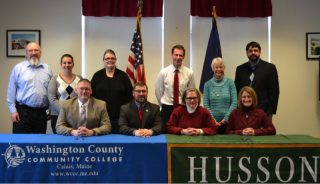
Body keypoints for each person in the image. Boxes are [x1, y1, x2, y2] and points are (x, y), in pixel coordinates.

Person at [7, 42, 53, 134]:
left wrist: (50, 109)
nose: (33, 53)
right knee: (21, 142)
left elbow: (50, 91)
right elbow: (11, 91)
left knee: (39, 143)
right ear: (26, 53)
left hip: (41, 112)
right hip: (22, 112)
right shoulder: (18, 68)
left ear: (40, 53)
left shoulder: (47, 69)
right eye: (30, 50)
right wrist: (13, 111)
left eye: (36, 50)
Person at [235, 41, 279, 121]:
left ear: (260, 52)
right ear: (247, 53)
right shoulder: (240, 69)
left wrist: (271, 111)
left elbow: (274, 92)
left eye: (255, 50)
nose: (253, 53)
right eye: (250, 51)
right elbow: (237, 91)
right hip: (244, 111)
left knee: (263, 133)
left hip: (264, 110)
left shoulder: (270, 68)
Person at [155, 45, 195, 133]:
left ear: (184, 57)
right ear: (171, 55)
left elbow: (191, 93)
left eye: (180, 55)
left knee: (183, 133)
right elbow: (158, 92)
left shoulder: (189, 73)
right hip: (167, 109)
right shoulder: (163, 73)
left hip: (183, 109)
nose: (178, 57)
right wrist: (163, 105)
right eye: (176, 55)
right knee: (166, 133)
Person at [91, 49, 133, 133]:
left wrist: (124, 112)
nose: (110, 60)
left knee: (118, 141)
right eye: (107, 58)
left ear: (115, 60)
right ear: (103, 61)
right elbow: (91, 95)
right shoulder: (97, 75)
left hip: (120, 117)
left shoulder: (123, 76)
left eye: (112, 58)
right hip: (100, 117)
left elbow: (129, 96)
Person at [48, 54, 83, 134]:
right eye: (64, 63)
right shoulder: (55, 79)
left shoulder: (80, 79)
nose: (67, 65)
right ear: (61, 64)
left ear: (73, 64)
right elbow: (52, 98)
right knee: (59, 142)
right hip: (58, 116)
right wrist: (64, 112)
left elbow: (82, 96)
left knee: (76, 140)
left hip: (75, 117)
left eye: (69, 63)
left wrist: (72, 113)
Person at [203, 57, 237, 134]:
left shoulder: (230, 82)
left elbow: (234, 102)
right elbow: (206, 104)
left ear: (224, 69)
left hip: (229, 123)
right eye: (216, 67)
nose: (219, 69)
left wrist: (225, 119)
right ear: (212, 69)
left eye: (221, 67)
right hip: (211, 123)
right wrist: (213, 120)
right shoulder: (207, 84)